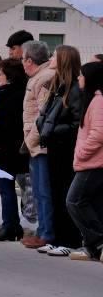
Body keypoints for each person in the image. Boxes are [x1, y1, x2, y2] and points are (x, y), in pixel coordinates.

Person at [33, 45, 83, 256]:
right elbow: (46, 113)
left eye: (54, 55)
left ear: (64, 60)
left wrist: (53, 130)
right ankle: (56, 238)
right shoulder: (58, 86)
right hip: (53, 146)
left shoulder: (74, 89)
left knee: (64, 194)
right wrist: (42, 124)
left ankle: (69, 241)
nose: (51, 58)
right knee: (54, 193)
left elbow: (76, 123)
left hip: (65, 149)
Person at [0, 57, 29, 241]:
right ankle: (11, 225)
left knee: (6, 188)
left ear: (9, 76)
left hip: (7, 149)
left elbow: (8, 121)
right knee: (6, 188)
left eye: (0, 74)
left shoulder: (13, 94)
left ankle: (10, 225)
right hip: (4, 148)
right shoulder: (5, 92)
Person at [20, 41, 57, 249]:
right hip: (35, 143)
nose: (22, 63)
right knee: (40, 190)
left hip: (40, 144)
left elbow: (43, 115)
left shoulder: (44, 78)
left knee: (43, 191)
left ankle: (46, 233)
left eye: (22, 59)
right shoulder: (39, 77)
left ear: (29, 60)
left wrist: (31, 139)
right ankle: (43, 231)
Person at [68, 61, 103, 262]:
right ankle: (93, 248)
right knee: (95, 205)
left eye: (82, 76)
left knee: (74, 201)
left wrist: (81, 153)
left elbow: (98, 134)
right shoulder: (92, 99)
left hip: (92, 162)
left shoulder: (98, 101)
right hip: (91, 161)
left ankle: (97, 241)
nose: (79, 79)